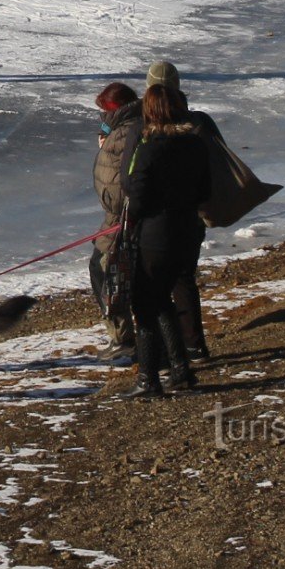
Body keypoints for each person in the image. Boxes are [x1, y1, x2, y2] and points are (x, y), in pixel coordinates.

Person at [123, 84, 212, 396]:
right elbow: (206, 192)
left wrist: (137, 215)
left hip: (155, 237)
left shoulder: (150, 147)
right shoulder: (197, 144)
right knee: (163, 301)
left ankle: (149, 379)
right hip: (188, 233)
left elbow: (138, 198)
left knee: (145, 305)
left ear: (151, 111)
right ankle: (180, 369)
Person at [90, 81, 142, 355]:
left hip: (122, 216)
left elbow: (122, 178)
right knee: (105, 270)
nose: (103, 116)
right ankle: (122, 336)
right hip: (114, 214)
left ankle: (123, 338)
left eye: (105, 110)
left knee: (107, 272)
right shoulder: (119, 129)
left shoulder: (125, 133)